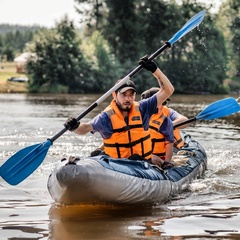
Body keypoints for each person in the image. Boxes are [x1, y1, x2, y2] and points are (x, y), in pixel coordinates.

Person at [64, 56, 174, 165]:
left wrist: (155, 70)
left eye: (131, 95)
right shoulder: (106, 117)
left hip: (142, 165)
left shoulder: (143, 108)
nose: (128, 98)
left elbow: (168, 90)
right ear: (114, 95)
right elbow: (85, 128)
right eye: (123, 94)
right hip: (117, 167)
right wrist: (75, 126)